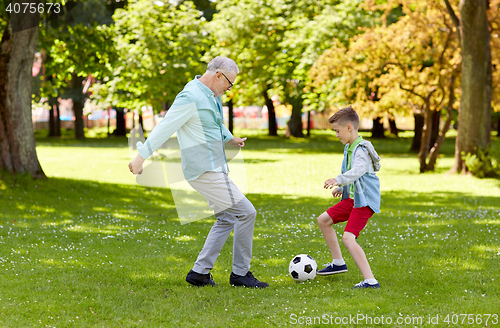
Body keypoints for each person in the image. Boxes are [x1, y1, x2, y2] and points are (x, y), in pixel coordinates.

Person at [128, 56, 268, 288]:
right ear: (218, 76)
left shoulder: (211, 97)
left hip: (213, 168)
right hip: (204, 170)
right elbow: (166, 126)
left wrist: (229, 137)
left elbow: (212, 123)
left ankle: (199, 273)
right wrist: (141, 156)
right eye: (229, 83)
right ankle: (240, 274)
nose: (229, 88)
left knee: (226, 218)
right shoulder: (190, 96)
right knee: (246, 213)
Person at [316, 106, 381, 289]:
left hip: (364, 202)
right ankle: (338, 263)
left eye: (337, 131)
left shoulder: (361, 149)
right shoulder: (349, 148)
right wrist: (342, 187)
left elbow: (358, 171)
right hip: (353, 199)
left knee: (348, 238)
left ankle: (370, 281)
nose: (337, 135)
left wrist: (337, 179)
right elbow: (351, 175)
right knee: (324, 220)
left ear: (349, 128)